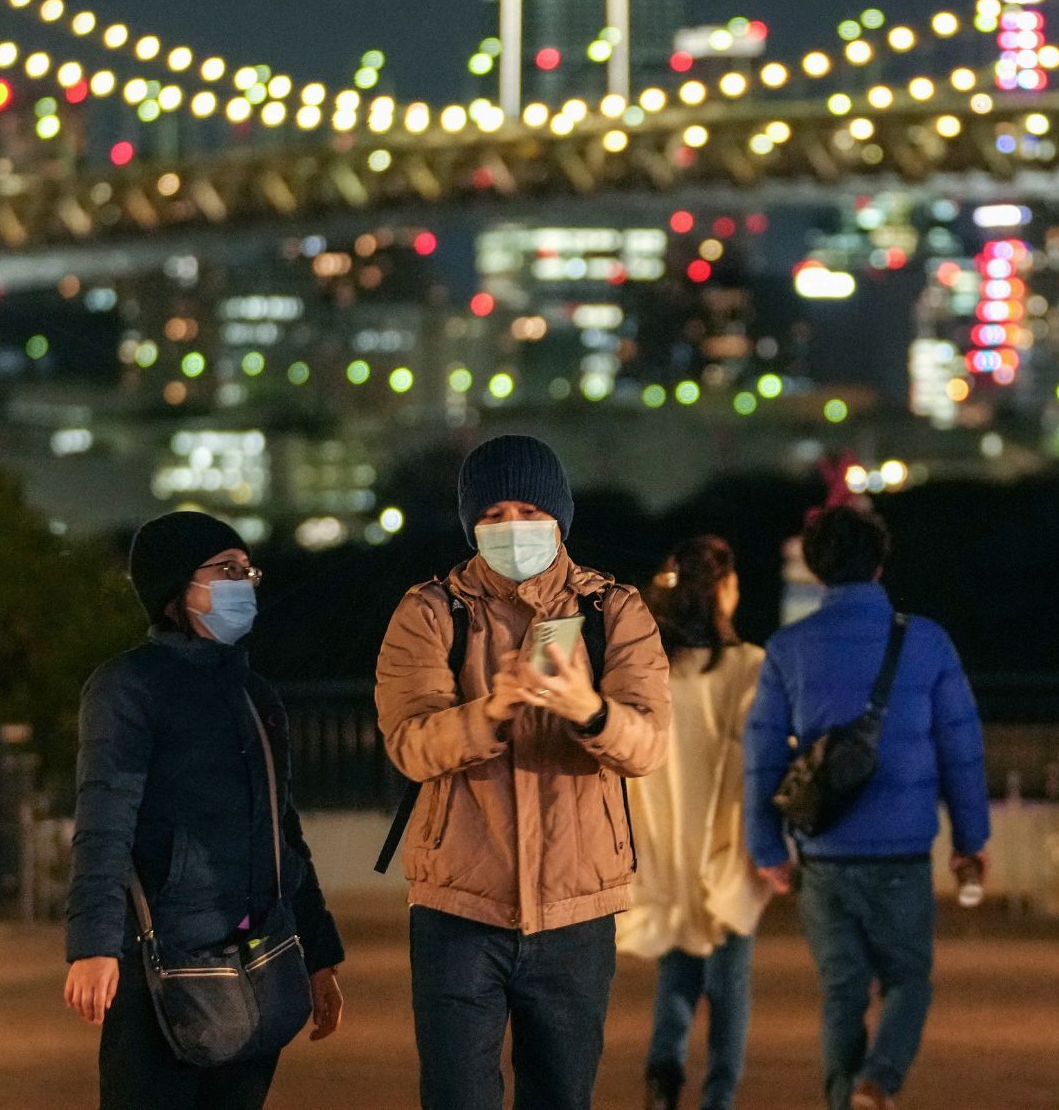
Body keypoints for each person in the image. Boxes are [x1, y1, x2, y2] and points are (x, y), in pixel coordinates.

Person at [375, 434, 669, 1110]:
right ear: (470, 523)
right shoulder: (430, 613)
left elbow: (647, 745)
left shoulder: (612, 611)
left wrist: (589, 711)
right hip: (457, 905)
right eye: (494, 514)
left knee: (563, 1096)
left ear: (560, 517)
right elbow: (411, 746)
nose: (513, 528)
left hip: (577, 909)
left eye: (530, 511)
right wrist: (493, 709)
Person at [64, 510, 345, 1110]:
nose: (243, 583)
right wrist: (92, 945)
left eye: (248, 571)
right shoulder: (129, 686)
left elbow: (282, 830)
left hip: (255, 955)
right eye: (226, 570)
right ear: (176, 590)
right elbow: (103, 821)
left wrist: (320, 955)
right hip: (161, 961)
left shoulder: (254, 692)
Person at [743, 504, 990, 1110]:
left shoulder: (788, 648)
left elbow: (763, 755)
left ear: (818, 569)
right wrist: (970, 838)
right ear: (880, 564)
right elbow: (961, 747)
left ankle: (843, 1099)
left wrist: (767, 847)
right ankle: (878, 1082)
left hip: (825, 852)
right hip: (904, 852)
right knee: (909, 981)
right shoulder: (926, 641)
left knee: (841, 994)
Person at [621, 536, 772, 1110]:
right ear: (723, 591)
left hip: (666, 846)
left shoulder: (654, 669)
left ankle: (663, 1075)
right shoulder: (746, 666)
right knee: (730, 985)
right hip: (727, 846)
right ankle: (718, 1097)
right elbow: (755, 761)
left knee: (679, 968)